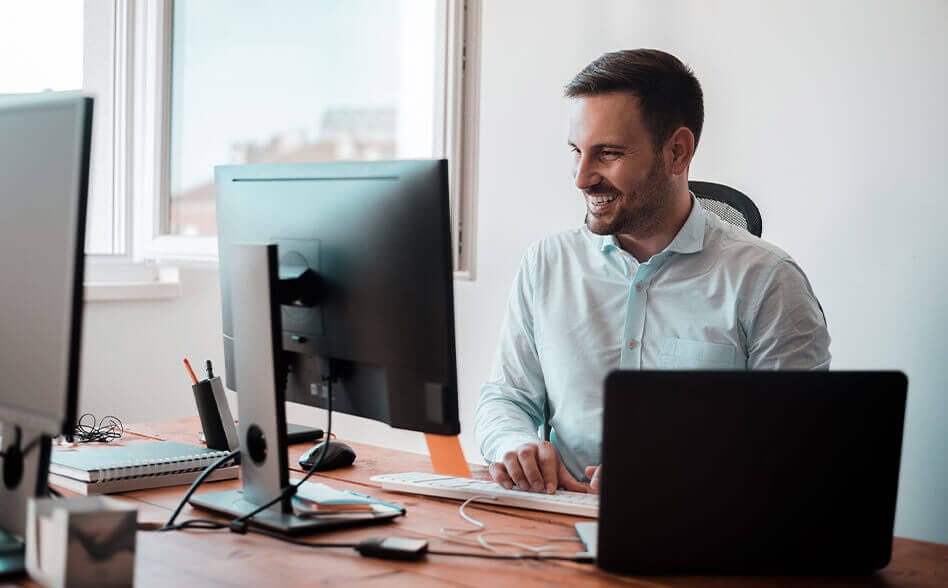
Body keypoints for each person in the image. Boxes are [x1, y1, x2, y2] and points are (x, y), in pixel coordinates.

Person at [474, 49, 831, 496]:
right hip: (558, 514)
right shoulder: (546, 263)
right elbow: (506, 397)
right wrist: (514, 443)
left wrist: (676, 471)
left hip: (702, 523)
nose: (582, 178)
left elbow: (797, 447)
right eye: (577, 152)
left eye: (608, 153)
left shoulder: (768, 281)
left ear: (677, 152)